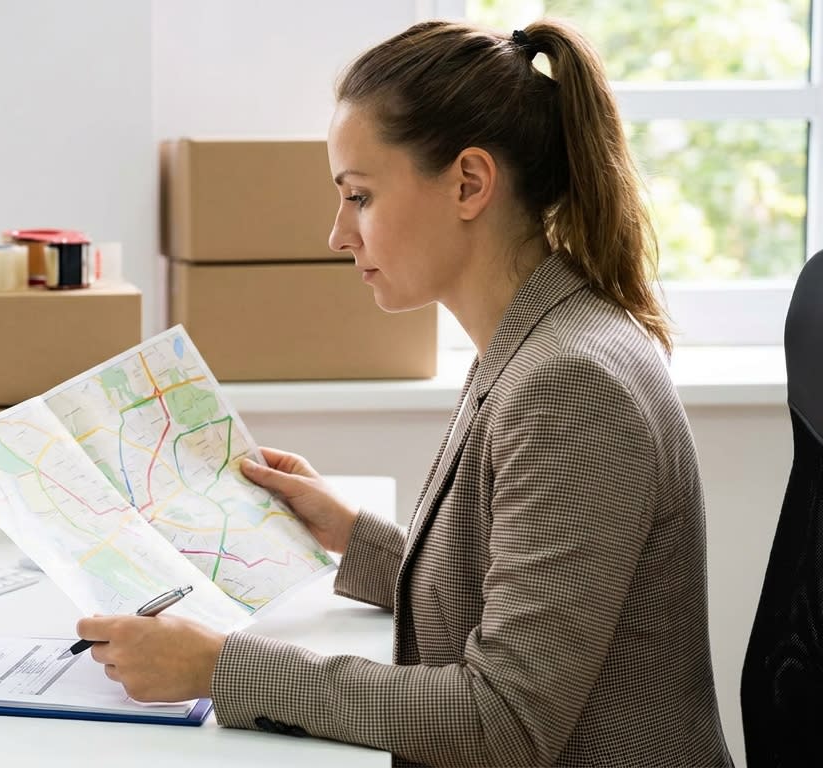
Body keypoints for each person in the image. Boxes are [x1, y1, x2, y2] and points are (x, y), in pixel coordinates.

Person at [76, 19, 734, 767]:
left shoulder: (569, 385)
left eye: (359, 197)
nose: (336, 234)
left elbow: (503, 719)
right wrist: (349, 533)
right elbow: (508, 593)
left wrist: (221, 667)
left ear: (469, 184)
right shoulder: (539, 335)